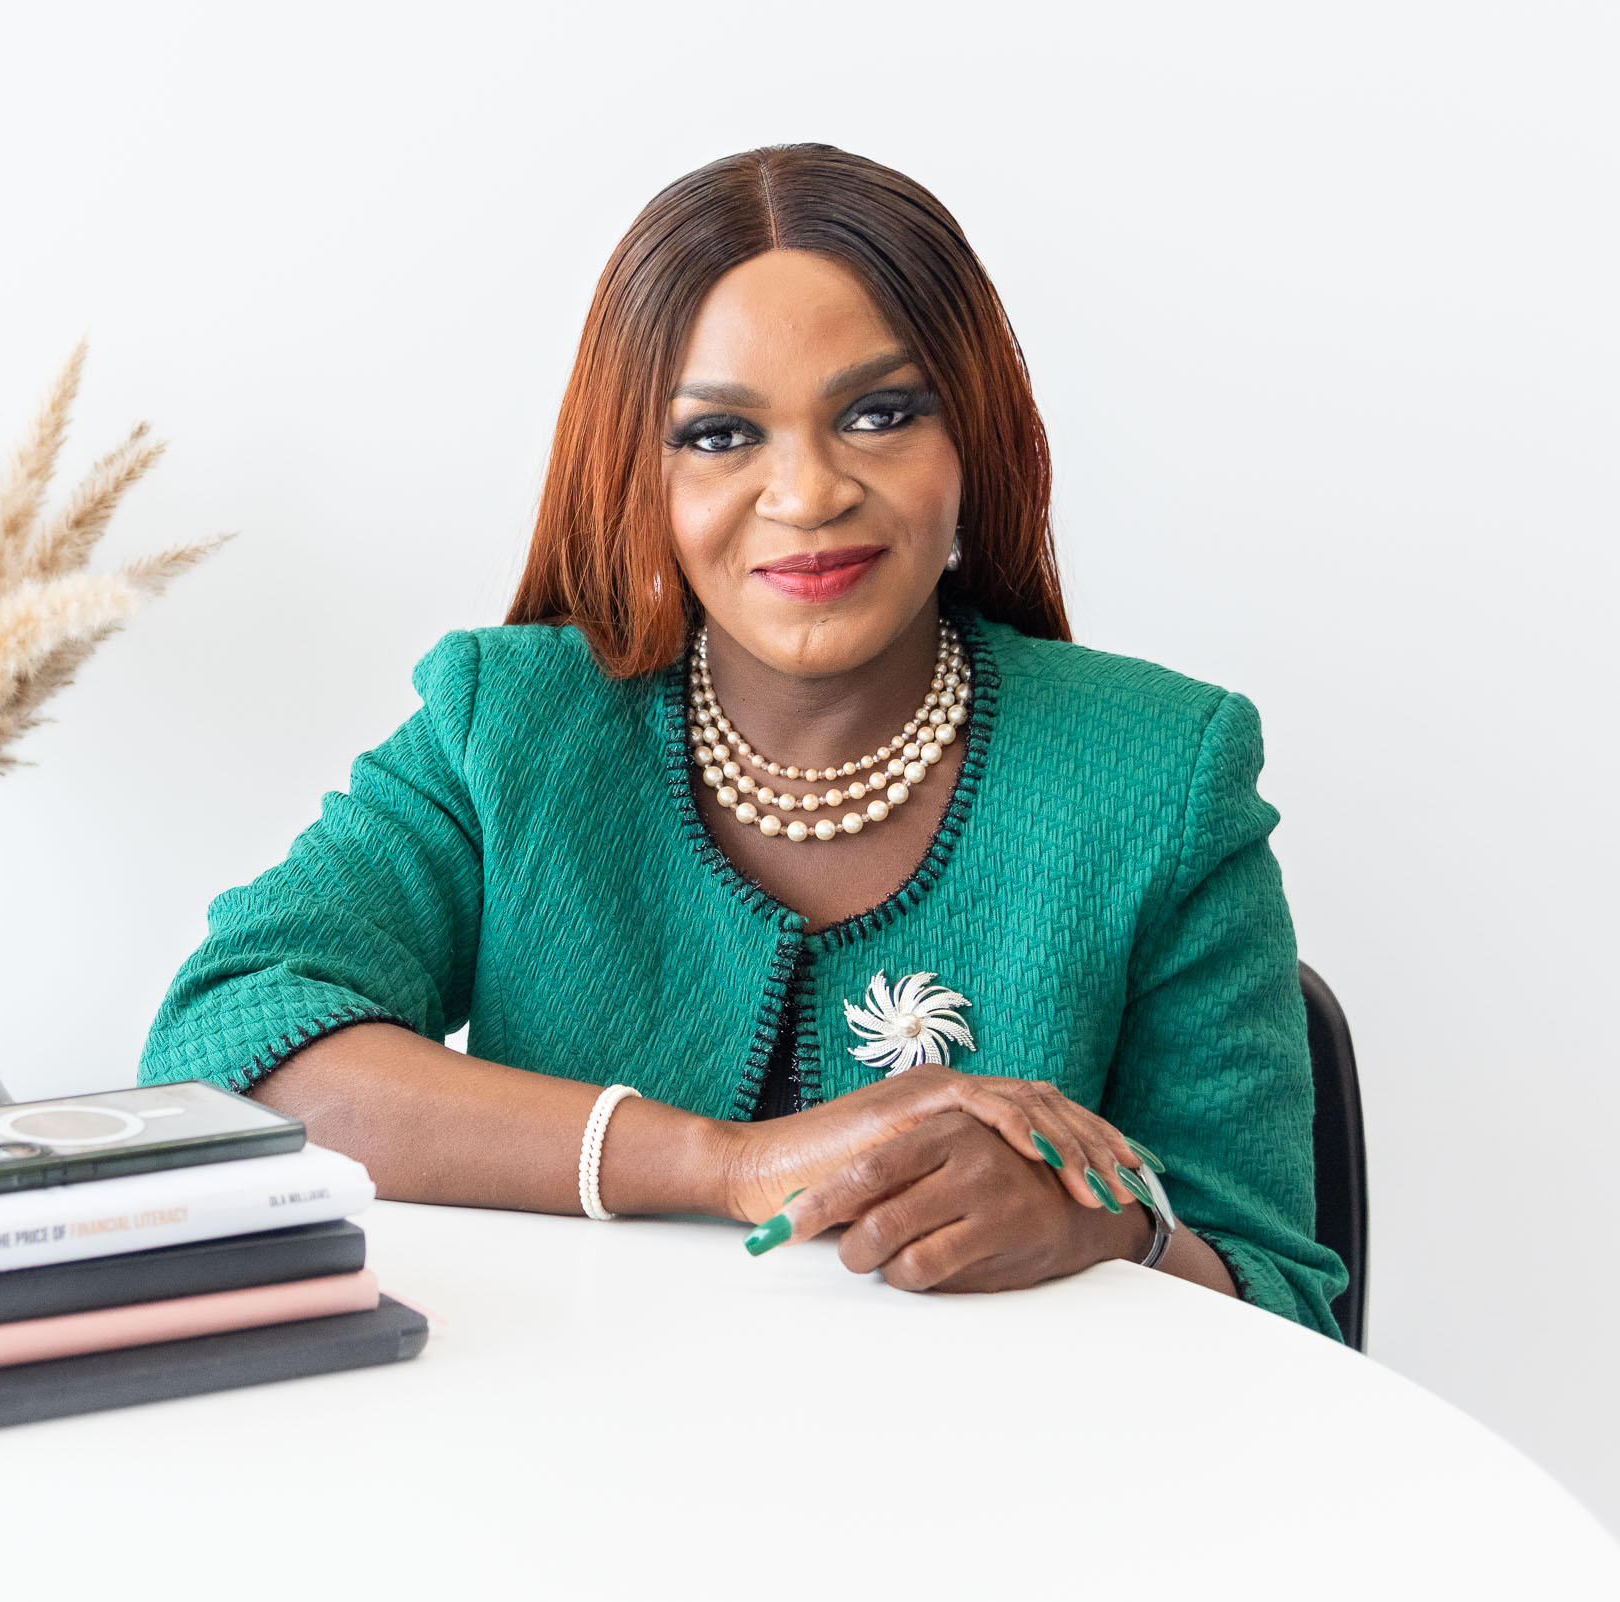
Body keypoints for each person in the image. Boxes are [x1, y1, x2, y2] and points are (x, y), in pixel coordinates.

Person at [139, 143, 1347, 1337]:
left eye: (879, 413)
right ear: (637, 470)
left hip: (997, 1489)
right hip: (570, 1460)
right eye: (719, 435)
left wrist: (1109, 1229)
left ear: (971, 438)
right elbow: (223, 1043)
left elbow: (1284, 1301)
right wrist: (724, 1162)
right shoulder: (508, 724)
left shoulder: (1164, 772)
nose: (808, 493)